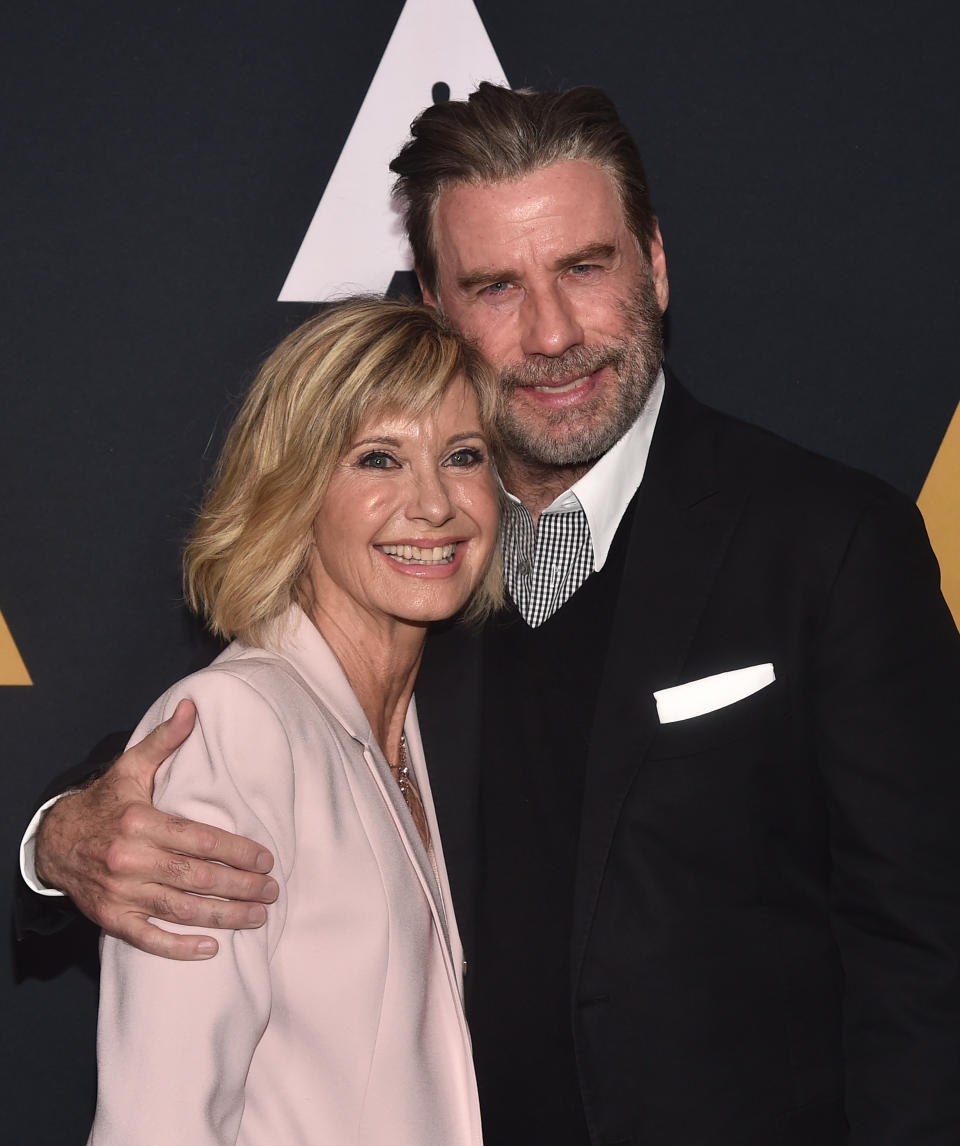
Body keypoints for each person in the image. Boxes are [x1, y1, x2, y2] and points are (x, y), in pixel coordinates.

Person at [19, 85, 960, 1145]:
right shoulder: (411, 561)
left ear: (653, 262)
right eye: (497, 286)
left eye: (584, 268)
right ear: (435, 304)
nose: (554, 332)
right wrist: (57, 836)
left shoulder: (827, 543)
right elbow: (221, 743)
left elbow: (924, 945)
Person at [84, 296, 501, 1144]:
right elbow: (158, 1122)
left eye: (463, 455)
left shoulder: (421, 726)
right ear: (296, 489)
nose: (434, 504)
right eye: (379, 459)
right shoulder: (238, 729)